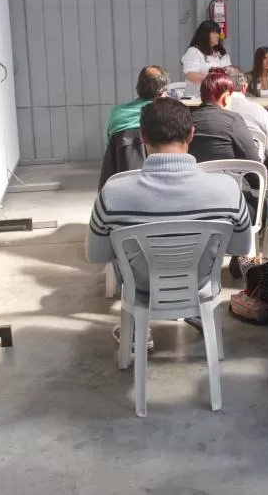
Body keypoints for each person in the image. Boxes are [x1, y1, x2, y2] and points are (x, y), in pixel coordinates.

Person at [86, 97, 253, 348]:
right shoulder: (227, 189)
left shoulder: (113, 192)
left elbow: (96, 255)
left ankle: (136, 329)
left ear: (142, 135)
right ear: (191, 134)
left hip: (141, 290)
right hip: (198, 285)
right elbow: (241, 248)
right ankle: (194, 312)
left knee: (120, 255)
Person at [188, 68, 260, 163]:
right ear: (225, 98)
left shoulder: (188, 120)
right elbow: (253, 160)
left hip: (195, 176)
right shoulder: (234, 120)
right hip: (229, 176)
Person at [225, 67, 268, 161]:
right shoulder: (260, 111)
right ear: (245, 88)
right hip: (253, 170)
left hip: (218, 171)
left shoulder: (212, 113)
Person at [104, 66, 169, 141]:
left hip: (121, 152)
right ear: (162, 92)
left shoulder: (115, 113)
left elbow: (108, 145)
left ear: (138, 86)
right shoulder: (168, 114)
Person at [181, 20, 231, 99]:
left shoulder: (221, 53)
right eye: (214, 32)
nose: (217, 36)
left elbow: (229, 72)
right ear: (205, 34)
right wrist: (214, 81)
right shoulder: (194, 51)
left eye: (218, 33)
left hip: (218, 97)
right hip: (197, 98)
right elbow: (190, 74)